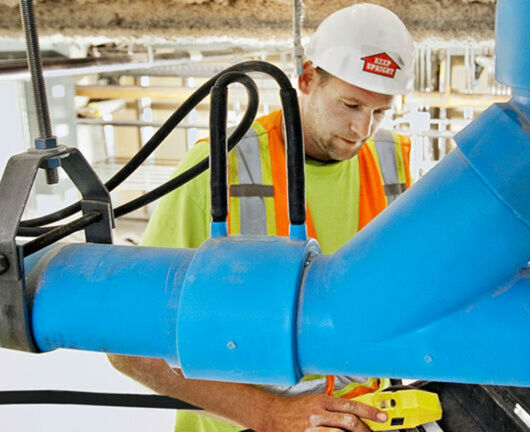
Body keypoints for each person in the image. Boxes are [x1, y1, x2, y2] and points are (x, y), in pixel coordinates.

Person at [108, 4, 416, 431]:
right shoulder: (219, 169)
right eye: (350, 104)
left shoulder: (391, 164)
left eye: (380, 112)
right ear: (307, 78)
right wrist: (269, 415)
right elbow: (126, 342)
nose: (363, 129)